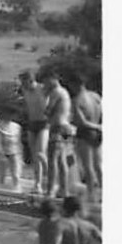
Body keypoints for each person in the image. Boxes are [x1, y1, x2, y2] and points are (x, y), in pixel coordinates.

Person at [40, 69, 76, 199]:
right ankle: (63, 190)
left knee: (52, 160)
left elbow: (47, 111)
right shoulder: (65, 92)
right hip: (66, 128)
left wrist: (44, 97)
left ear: (52, 79)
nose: (44, 84)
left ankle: (50, 191)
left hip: (57, 128)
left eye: (45, 81)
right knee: (61, 161)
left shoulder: (56, 92)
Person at [71, 75, 102, 201]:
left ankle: (91, 195)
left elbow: (81, 122)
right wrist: (99, 127)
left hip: (85, 133)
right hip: (98, 133)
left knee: (88, 166)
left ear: (76, 84)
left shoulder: (77, 100)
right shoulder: (96, 96)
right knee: (99, 165)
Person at [17, 71, 49, 195]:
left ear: (30, 80)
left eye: (23, 82)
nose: (22, 85)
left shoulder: (43, 89)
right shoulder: (25, 91)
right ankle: (38, 184)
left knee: (41, 153)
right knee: (35, 157)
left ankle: (50, 177)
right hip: (32, 123)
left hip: (44, 123)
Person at [0, 106, 24, 188]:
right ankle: (0, 192)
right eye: (8, 114)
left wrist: (21, 157)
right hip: (3, 152)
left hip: (14, 152)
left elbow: (19, 142)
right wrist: (1, 153)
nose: (10, 116)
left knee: (16, 175)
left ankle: (17, 190)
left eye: (12, 115)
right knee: (2, 176)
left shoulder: (17, 127)